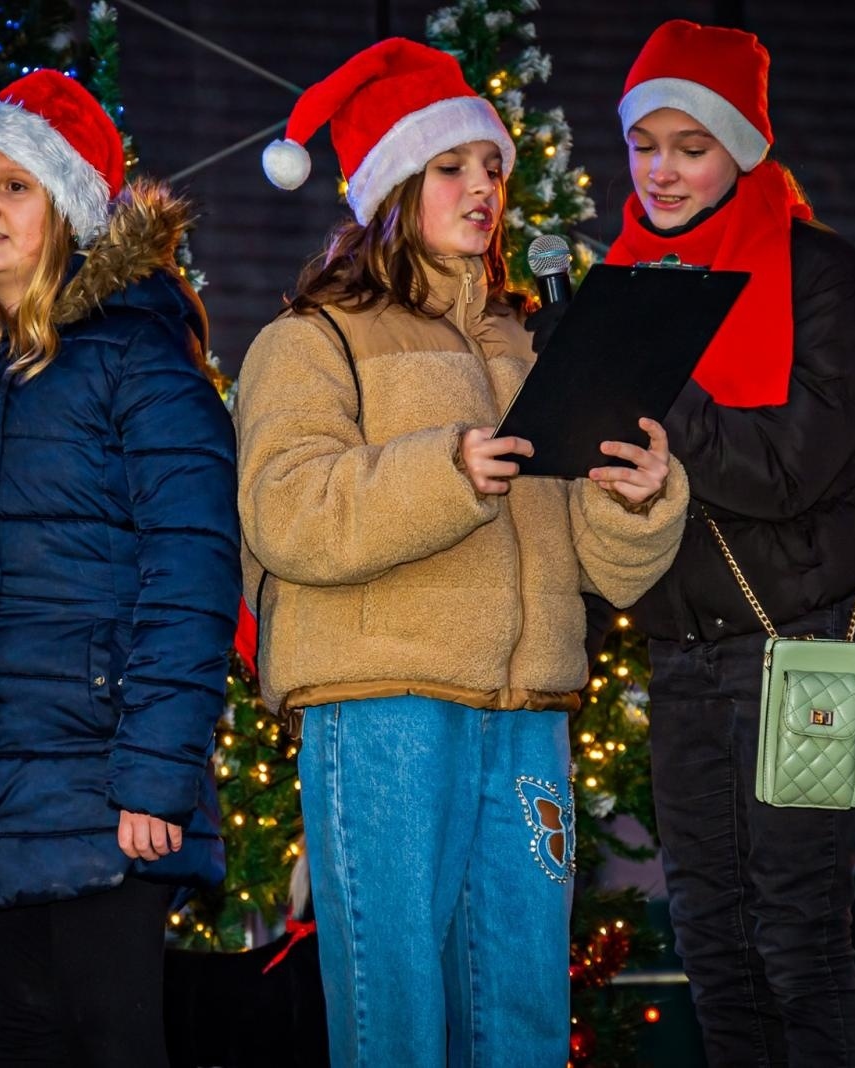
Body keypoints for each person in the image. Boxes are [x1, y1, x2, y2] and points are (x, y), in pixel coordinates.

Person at [241, 38, 689, 1065]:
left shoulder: (524, 346)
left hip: (525, 719)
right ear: (394, 183)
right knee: (393, 1017)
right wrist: (446, 471)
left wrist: (637, 495)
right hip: (383, 709)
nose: (484, 186)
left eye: (492, 168)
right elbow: (284, 511)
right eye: (453, 167)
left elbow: (606, 567)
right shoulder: (311, 341)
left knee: (523, 1014)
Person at [0, 70, 239, 1064]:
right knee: (30, 1035)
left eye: (14, 186)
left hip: (104, 782)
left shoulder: (139, 358)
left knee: (113, 1037)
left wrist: (157, 776)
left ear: (67, 205)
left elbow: (194, 570)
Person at [608, 20, 855, 1066]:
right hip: (681, 659)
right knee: (714, 947)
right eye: (645, 144)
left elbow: (790, 470)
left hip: (801, 651)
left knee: (799, 943)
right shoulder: (624, 281)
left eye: (691, 146)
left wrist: (646, 381)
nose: (663, 170)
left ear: (743, 148)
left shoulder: (825, 279)